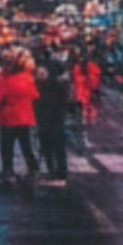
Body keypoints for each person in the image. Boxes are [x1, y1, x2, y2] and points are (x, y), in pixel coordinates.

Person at [0, 52, 40, 192]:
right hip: (24, 116)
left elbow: (0, 98)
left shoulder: (5, 80)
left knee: (7, 147)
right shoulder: (28, 78)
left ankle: (8, 171)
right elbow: (35, 95)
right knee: (26, 145)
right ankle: (33, 168)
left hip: (8, 117)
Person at [38, 54, 73, 188]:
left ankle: (56, 173)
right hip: (54, 120)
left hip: (50, 120)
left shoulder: (49, 85)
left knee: (52, 147)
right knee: (55, 148)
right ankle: (57, 173)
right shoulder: (60, 84)